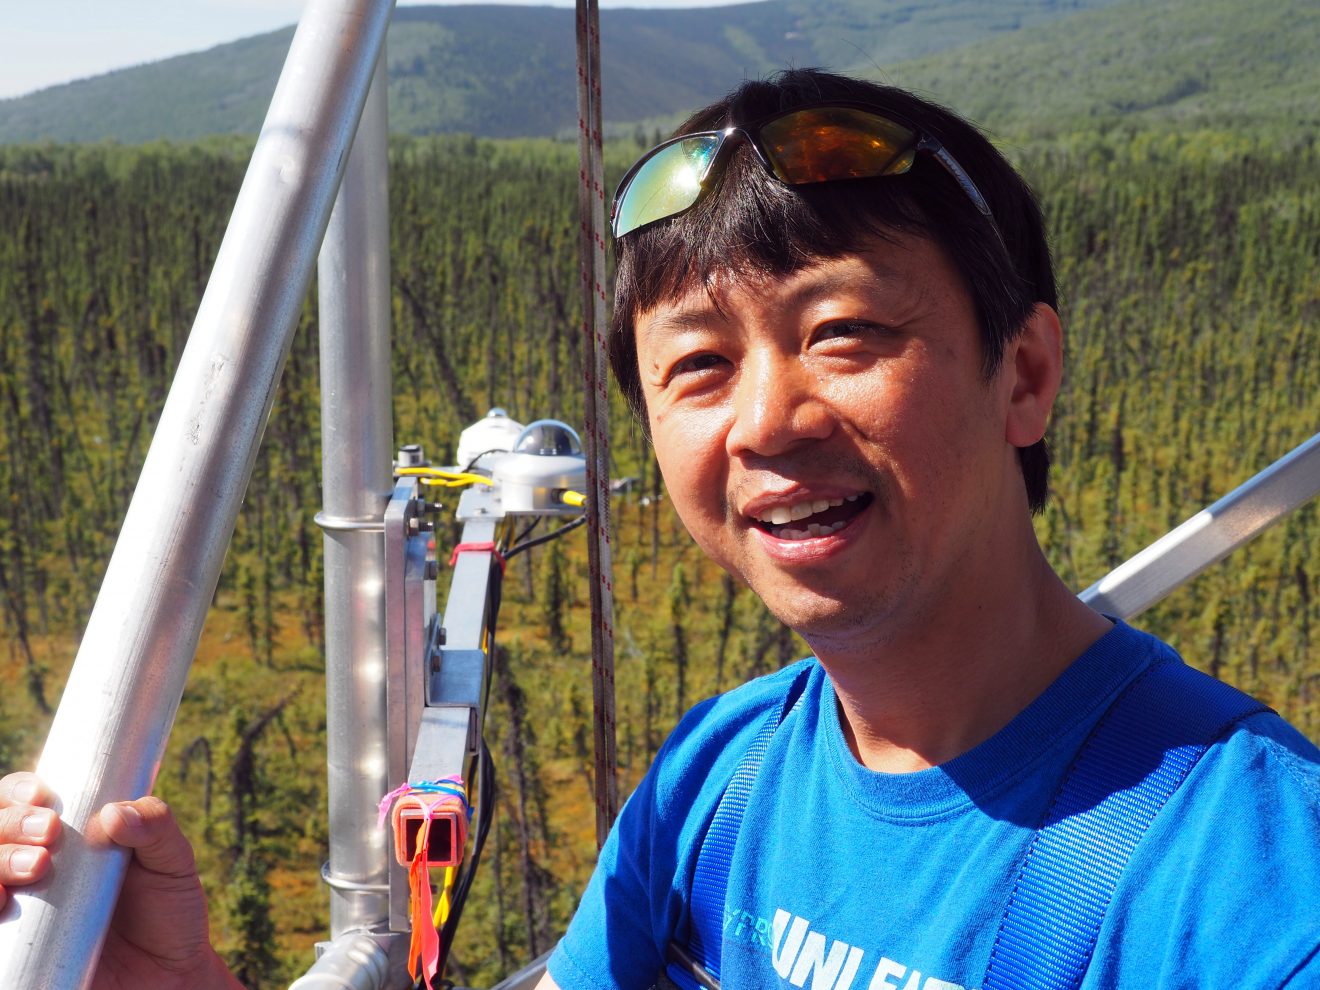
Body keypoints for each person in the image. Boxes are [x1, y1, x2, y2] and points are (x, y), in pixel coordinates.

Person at [2, 68, 1318, 988]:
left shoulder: (1245, 884)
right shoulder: (721, 778)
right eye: (696, 365)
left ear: (1024, 374)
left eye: (844, 333)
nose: (766, 420)